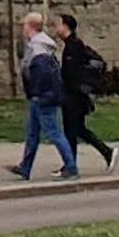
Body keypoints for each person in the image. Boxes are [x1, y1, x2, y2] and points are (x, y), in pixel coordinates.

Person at [6, 12, 79, 181]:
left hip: (43, 97)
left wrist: (38, 94)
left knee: (54, 132)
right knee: (32, 133)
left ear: (30, 27)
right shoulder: (39, 45)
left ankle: (71, 167)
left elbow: (42, 74)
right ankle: (25, 167)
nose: (23, 29)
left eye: (25, 25)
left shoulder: (38, 49)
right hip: (38, 96)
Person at [56, 8, 118, 170]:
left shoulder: (75, 46)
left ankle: (104, 153)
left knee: (75, 130)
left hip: (75, 96)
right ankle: (72, 163)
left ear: (66, 27)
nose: (57, 28)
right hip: (72, 95)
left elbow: (73, 73)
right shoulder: (70, 45)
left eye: (59, 25)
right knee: (74, 130)